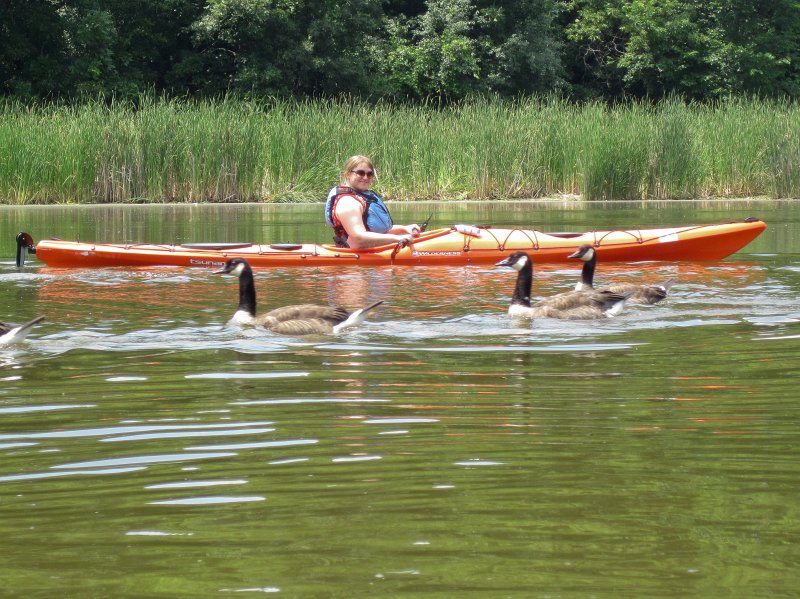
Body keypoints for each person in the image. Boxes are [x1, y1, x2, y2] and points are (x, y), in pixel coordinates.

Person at [325, 156, 420, 248]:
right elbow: (359, 237)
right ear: (348, 174)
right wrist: (397, 238)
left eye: (369, 174)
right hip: (358, 257)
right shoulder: (348, 202)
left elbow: (378, 232)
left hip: (375, 250)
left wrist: (404, 228)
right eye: (360, 173)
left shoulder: (361, 197)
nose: (366, 177)